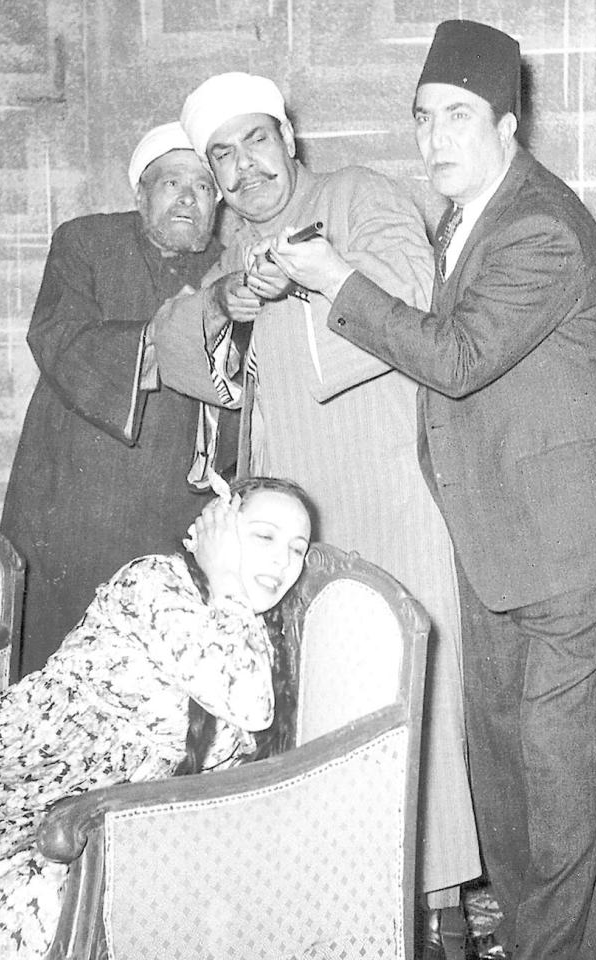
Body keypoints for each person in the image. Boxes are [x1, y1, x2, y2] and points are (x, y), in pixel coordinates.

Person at [261, 20, 596, 960]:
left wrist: (336, 280)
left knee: (555, 799)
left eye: (458, 117)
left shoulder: (539, 227)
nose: (434, 138)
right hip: (500, 539)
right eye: (422, 117)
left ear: (508, 125)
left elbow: (457, 358)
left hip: (570, 550)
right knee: (506, 785)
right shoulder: (464, 217)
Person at [149, 72, 481, 954]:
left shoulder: (356, 194)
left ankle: (436, 904)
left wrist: (298, 285)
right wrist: (225, 302)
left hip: (381, 489)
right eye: (222, 155)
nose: (243, 167)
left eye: (256, 140)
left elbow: (409, 293)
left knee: (402, 688)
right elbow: (182, 356)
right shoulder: (235, 244)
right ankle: (336, 895)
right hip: (286, 514)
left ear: (288, 138)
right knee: (311, 698)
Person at [0, 475, 314, 959]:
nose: (282, 561)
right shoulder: (154, 581)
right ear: (217, 528)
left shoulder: (256, 635)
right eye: (265, 536)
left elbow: (249, 711)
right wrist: (225, 579)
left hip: (120, 807)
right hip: (23, 771)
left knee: (19, 898)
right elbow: (247, 703)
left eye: (297, 549)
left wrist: (229, 592)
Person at [0, 120, 230, 676]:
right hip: (75, 501)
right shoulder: (86, 242)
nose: (188, 198)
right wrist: (168, 337)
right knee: (60, 664)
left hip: (177, 505)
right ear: (140, 194)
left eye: (203, 187)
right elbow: (58, 335)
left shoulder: (228, 265)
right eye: (172, 183)